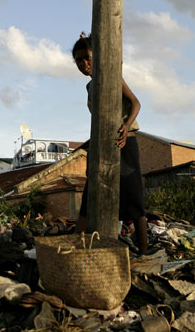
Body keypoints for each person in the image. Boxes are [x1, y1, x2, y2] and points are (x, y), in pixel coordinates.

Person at [72, 32, 148, 254]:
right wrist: (90, 153)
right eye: (79, 60)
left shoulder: (112, 75)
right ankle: (74, 251)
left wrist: (126, 125)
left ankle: (143, 253)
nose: (84, 63)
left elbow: (136, 103)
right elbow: (98, 124)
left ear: (98, 56)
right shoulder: (90, 87)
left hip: (125, 143)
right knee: (89, 199)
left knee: (134, 200)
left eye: (87, 57)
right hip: (102, 146)